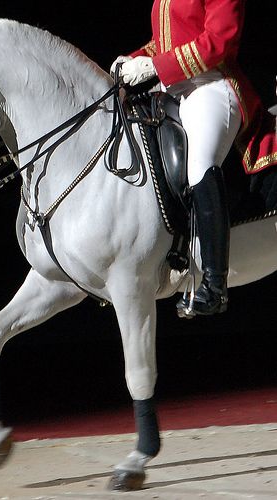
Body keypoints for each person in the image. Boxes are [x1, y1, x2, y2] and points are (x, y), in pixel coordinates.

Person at [111, 0, 277, 317]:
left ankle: (215, 284)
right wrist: (134, 59)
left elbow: (219, 40)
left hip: (212, 84)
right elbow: (167, 41)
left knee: (199, 163)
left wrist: (154, 67)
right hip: (173, 88)